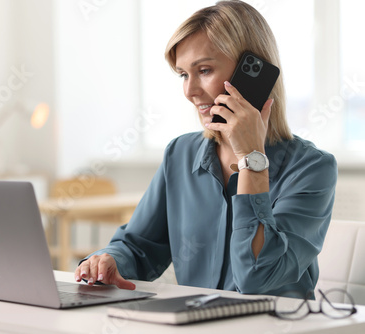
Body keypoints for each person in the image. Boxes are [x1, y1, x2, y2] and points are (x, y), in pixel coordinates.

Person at [74, 0, 337, 298]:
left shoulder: (312, 168)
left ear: (254, 74)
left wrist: (252, 159)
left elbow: (258, 275)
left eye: (205, 70)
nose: (190, 91)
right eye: (184, 74)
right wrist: (110, 260)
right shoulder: (180, 154)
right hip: (195, 324)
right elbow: (139, 246)